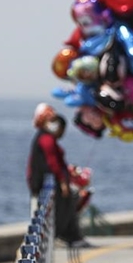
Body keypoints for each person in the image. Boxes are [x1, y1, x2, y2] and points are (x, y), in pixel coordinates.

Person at [26, 103, 90, 248]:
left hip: (51, 181)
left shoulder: (46, 138)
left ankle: (71, 235)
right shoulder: (46, 139)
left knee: (69, 203)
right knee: (63, 207)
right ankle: (64, 235)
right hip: (46, 182)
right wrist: (62, 181)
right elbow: (53, 163)